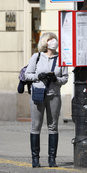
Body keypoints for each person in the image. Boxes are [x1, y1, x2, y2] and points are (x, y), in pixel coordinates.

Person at [25, 32, 68, 167]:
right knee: (36, 126)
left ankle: (52, 159)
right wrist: (39, 76)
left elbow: (65, 78)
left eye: (54, 39)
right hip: (38, 94)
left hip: (54, 95)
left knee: (53, 126)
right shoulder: (36, 57)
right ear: (45, 42)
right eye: (50, 39)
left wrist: (56, 79)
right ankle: (35, 159)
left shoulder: (61, 58)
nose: (53, 41)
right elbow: (27, 75)